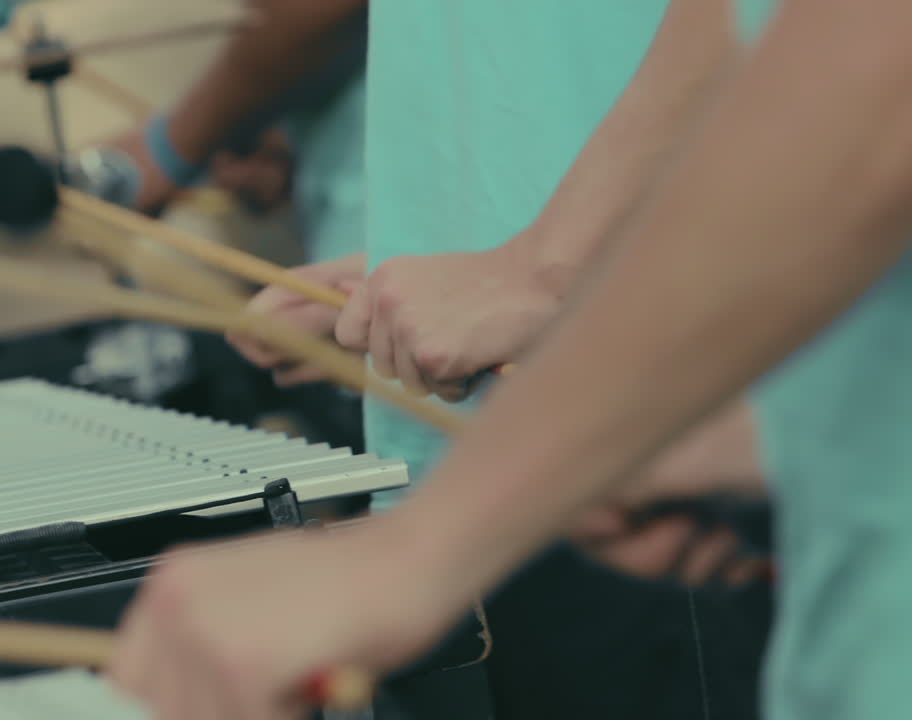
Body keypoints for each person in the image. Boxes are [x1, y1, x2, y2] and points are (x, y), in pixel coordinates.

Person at [106, 0, 912, 719]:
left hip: (632, 396)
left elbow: (863, 52)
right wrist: (428, 258)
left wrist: (551, 270)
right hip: (627, 423)